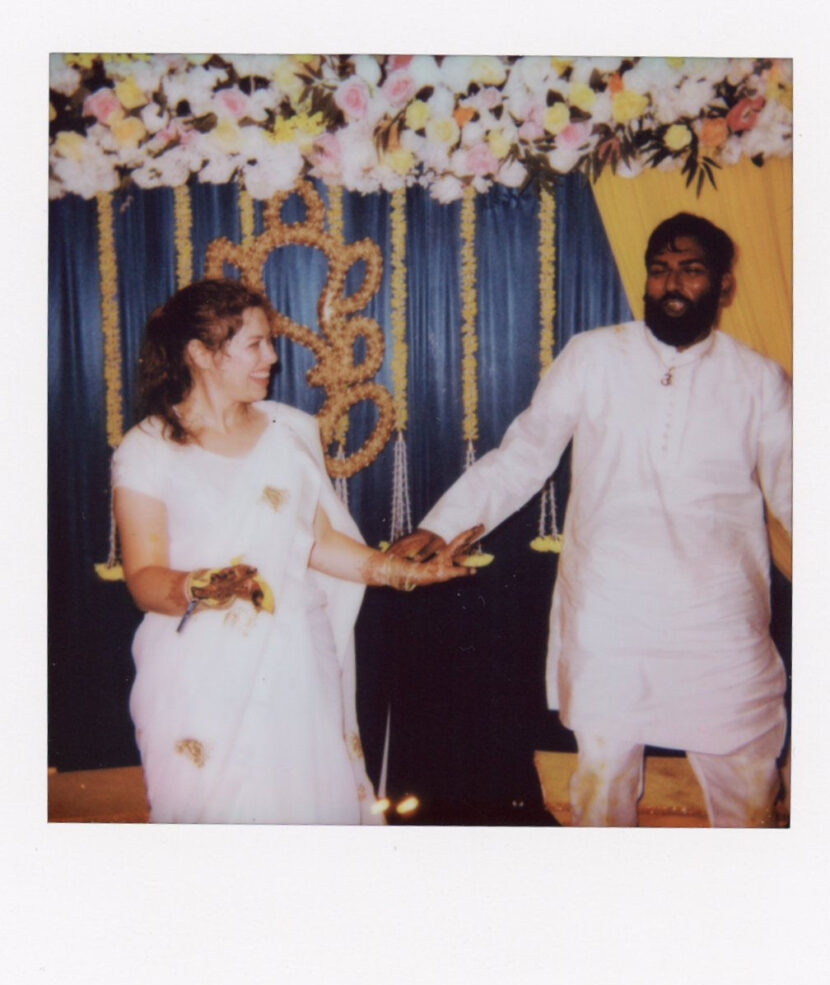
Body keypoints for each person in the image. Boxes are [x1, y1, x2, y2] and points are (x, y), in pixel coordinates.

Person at [390, 213, 792, 827]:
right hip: (611, 609)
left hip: (718, 615)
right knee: (602, 786)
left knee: (749, 786)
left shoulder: (759, 380)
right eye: (660, 270)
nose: (672, 285)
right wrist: (443, 526)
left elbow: (797, 492)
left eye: (691, 270)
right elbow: (524, 455)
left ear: (724, 285)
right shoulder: (593, 356)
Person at [113, 278, 482, 824]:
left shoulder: (288, 432)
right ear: (200, 354)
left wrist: (402, 572)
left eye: (270, 342)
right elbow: (144, 576)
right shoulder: (148, 449)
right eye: (255, 344)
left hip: (294, 660)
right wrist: (198, 587)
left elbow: (319, 543)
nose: (272, 358)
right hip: (196, 674)